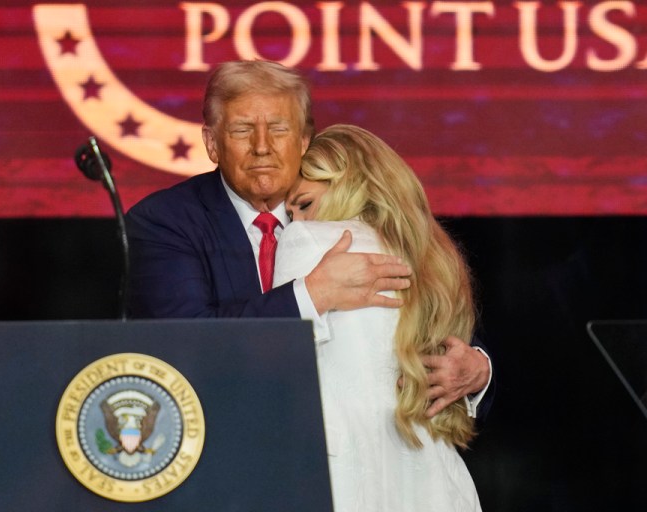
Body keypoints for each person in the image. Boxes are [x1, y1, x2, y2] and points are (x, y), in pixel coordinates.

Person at [125, 59, 491, 418]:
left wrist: (477, 369)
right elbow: (181, 343)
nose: (262, 146)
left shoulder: (346, 205)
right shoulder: (165, 221)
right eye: (241, 130)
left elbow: (427, 308)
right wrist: (310, 294)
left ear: (303, 140)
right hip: (226, 436)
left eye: (279, 129)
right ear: (212, 143)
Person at [275, 124, 484, 511]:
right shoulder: (437, 259)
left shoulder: (309, 242)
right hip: (437, 482)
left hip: (345, 480)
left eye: (304, 204)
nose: (295, 222)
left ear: (350, 186)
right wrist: (481, 367)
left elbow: (276, 363)